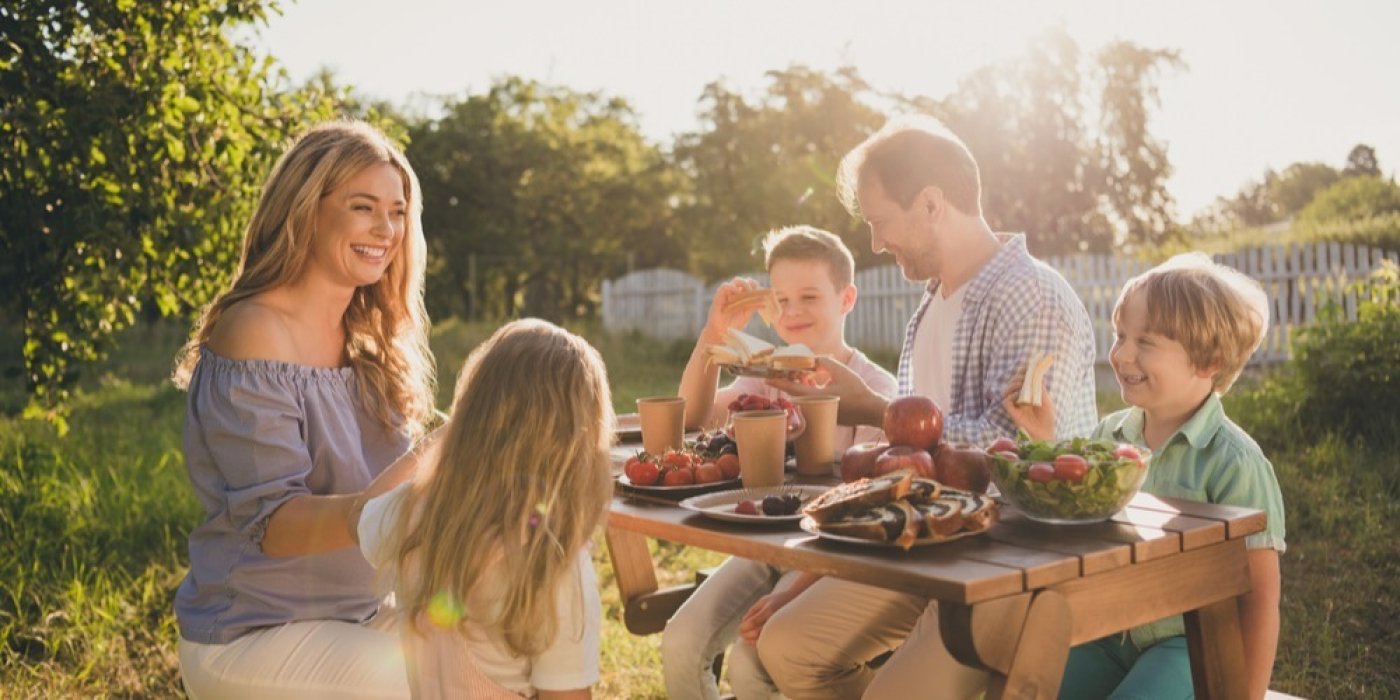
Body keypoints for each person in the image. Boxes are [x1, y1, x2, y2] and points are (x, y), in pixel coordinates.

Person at [758, 116, 1099, 699]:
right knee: (785, 647)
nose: (875, 242)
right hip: (925, 545)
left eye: (880, 221)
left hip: (1005, 564)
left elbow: (1016, 454)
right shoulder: (930, 309)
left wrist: (871, 405)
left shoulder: (1030, 295)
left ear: (932, 204)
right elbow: (913, 459)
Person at [171, 121, 438, 699]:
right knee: (408, 678)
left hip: (359, 615)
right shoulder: (256, 332)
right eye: (362, 207)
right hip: (253, 631)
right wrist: (415, 477)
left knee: (492, 644)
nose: (385, 229)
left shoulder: (371, 341)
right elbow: (276, 523)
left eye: (396, 212)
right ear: (305, 212)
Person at [1004, 253, 1285, 700]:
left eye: (1146, 342)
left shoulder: (1234, 462)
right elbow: (1076, 518)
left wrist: (1245, 695)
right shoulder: (1109, 436)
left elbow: (1260, 599)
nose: (1121, 354)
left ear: (1207, 360)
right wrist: (1046, 439)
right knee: (1026, 691)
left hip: (1186, 642)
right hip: (1109, 633)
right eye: (1120, 335)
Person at [664, 225, 897, 699]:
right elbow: (692, 419)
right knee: (680, 640)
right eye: (783, 299)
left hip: (829, 559)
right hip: (764, 549)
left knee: (751, 665)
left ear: (846, 298)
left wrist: (792, 593)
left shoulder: (874, 390)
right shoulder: (765, 377)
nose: (792, 313)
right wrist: (716, 333)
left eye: (809, 297)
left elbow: (864, 512)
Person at [355, 319, 613, 699]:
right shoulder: (554, 563)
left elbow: (359, 514)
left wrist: (440, 442)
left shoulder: (411, 511)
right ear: (580, 444)